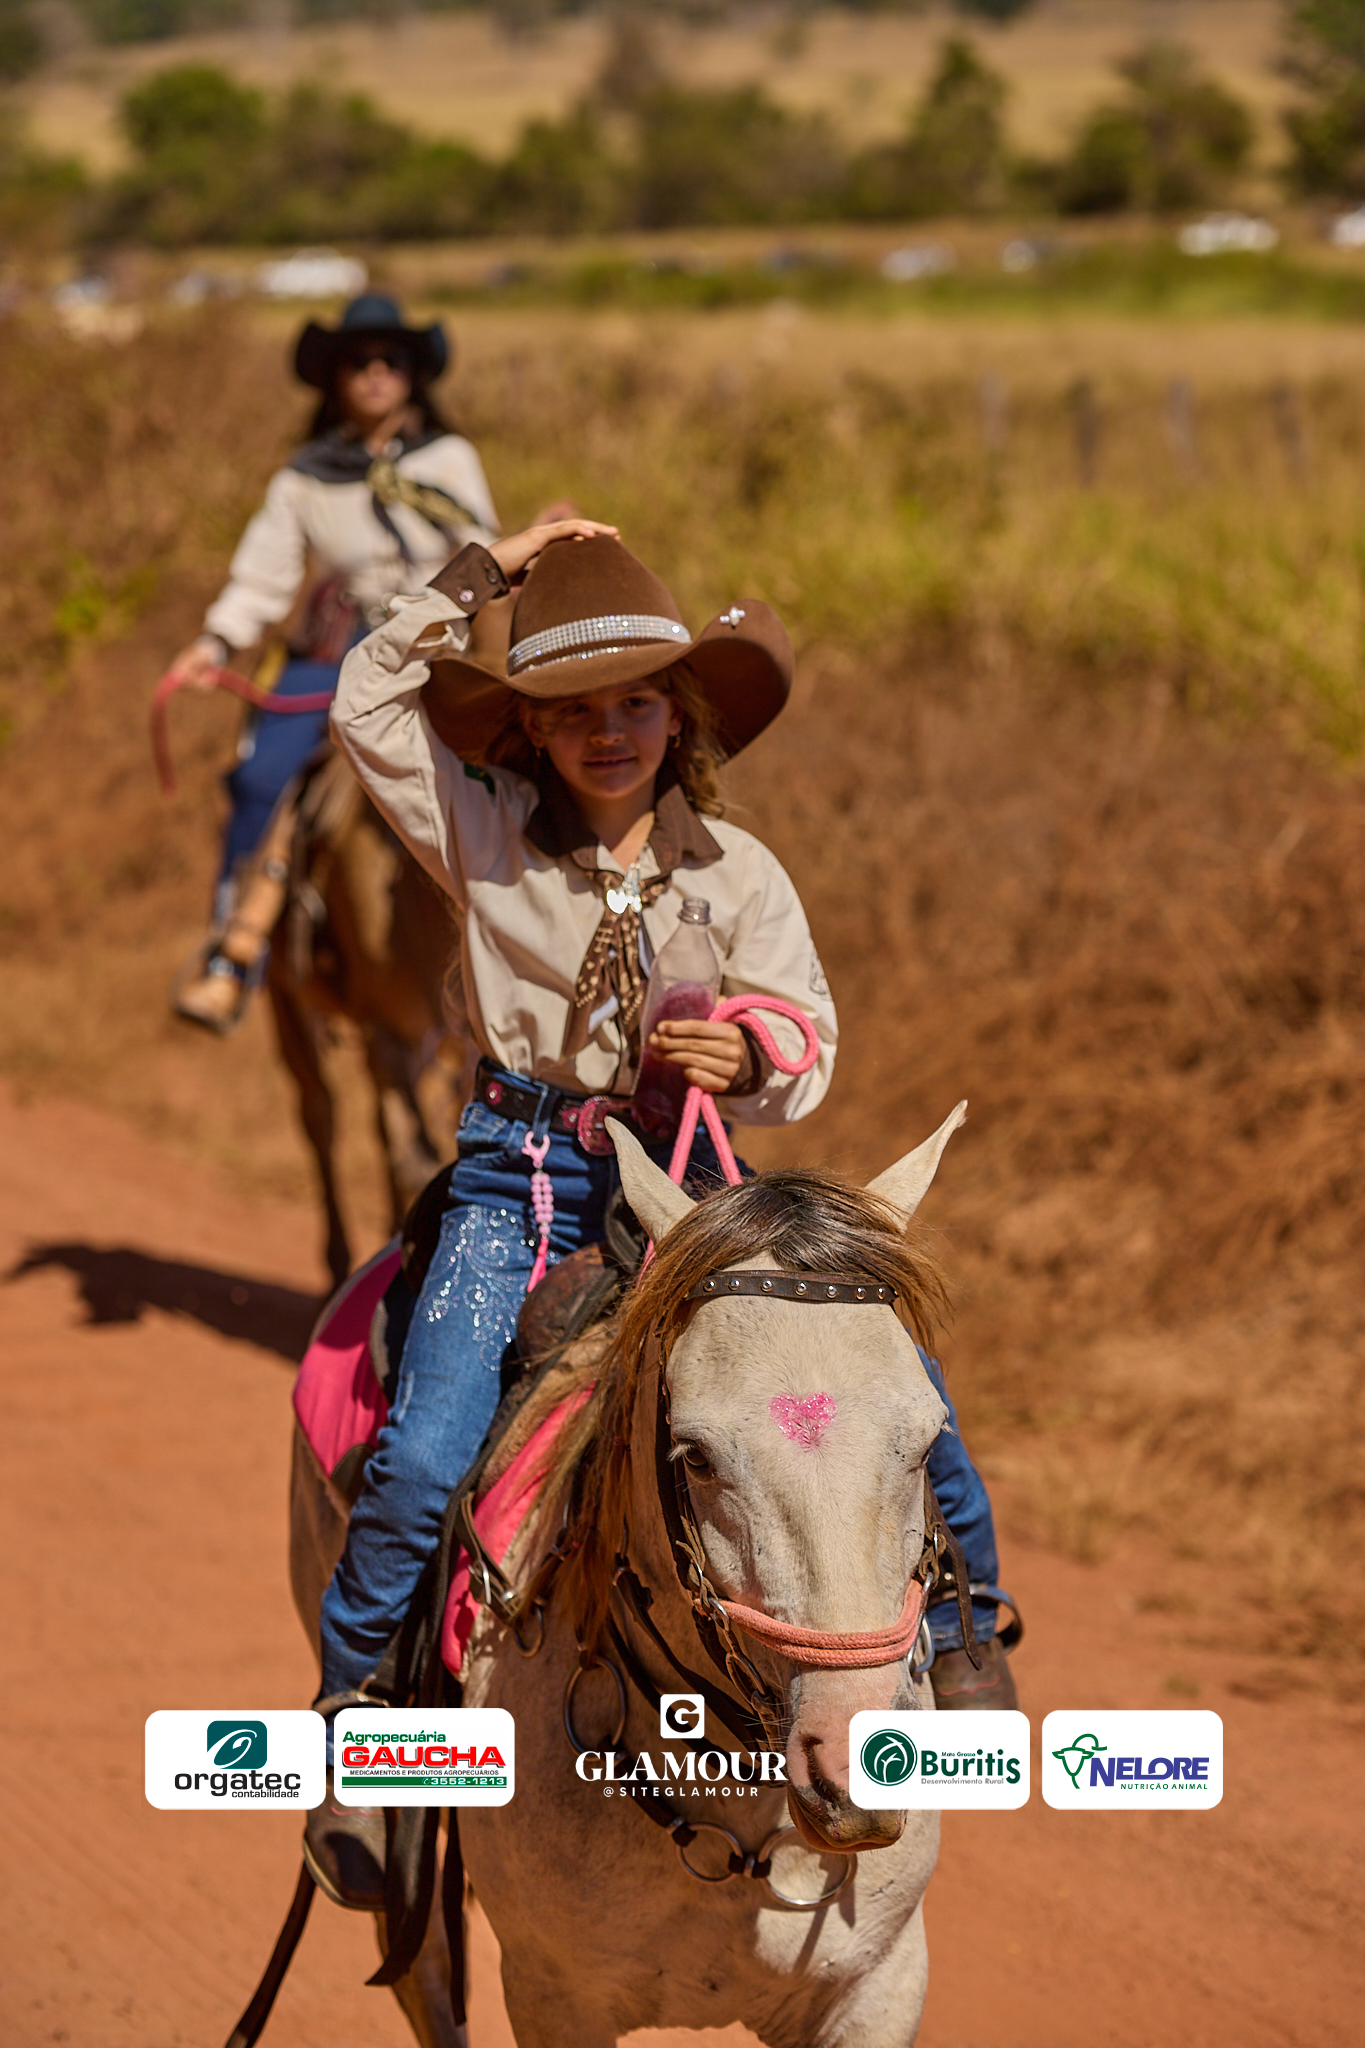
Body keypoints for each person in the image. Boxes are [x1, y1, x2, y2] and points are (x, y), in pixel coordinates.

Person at [306, 520, 1016, 1907]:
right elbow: (365, 702)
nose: (607, 731)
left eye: (636, 702)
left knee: (891, 1390)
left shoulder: (739, 869)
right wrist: (484, 569)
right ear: (529, 727)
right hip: (519, 1175)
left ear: (679, 716)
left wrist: (745, 1053)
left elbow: (808, 1038)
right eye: (572, 709)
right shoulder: (479, 830)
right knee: (429, 1441)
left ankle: (968, 1630)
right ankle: (360, 1728)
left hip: (692, 1181)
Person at [168, 292, 500, 1032]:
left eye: (392, 360)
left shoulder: (449, 459)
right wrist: (216, 641)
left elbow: (483, 551)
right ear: (334, 378)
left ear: (414, 375)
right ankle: (235, 951)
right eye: (359, 361)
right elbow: (264, 576)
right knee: (261, 776)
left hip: (439, 645)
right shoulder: (305, 477)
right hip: (342, 648)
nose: (376, 373)